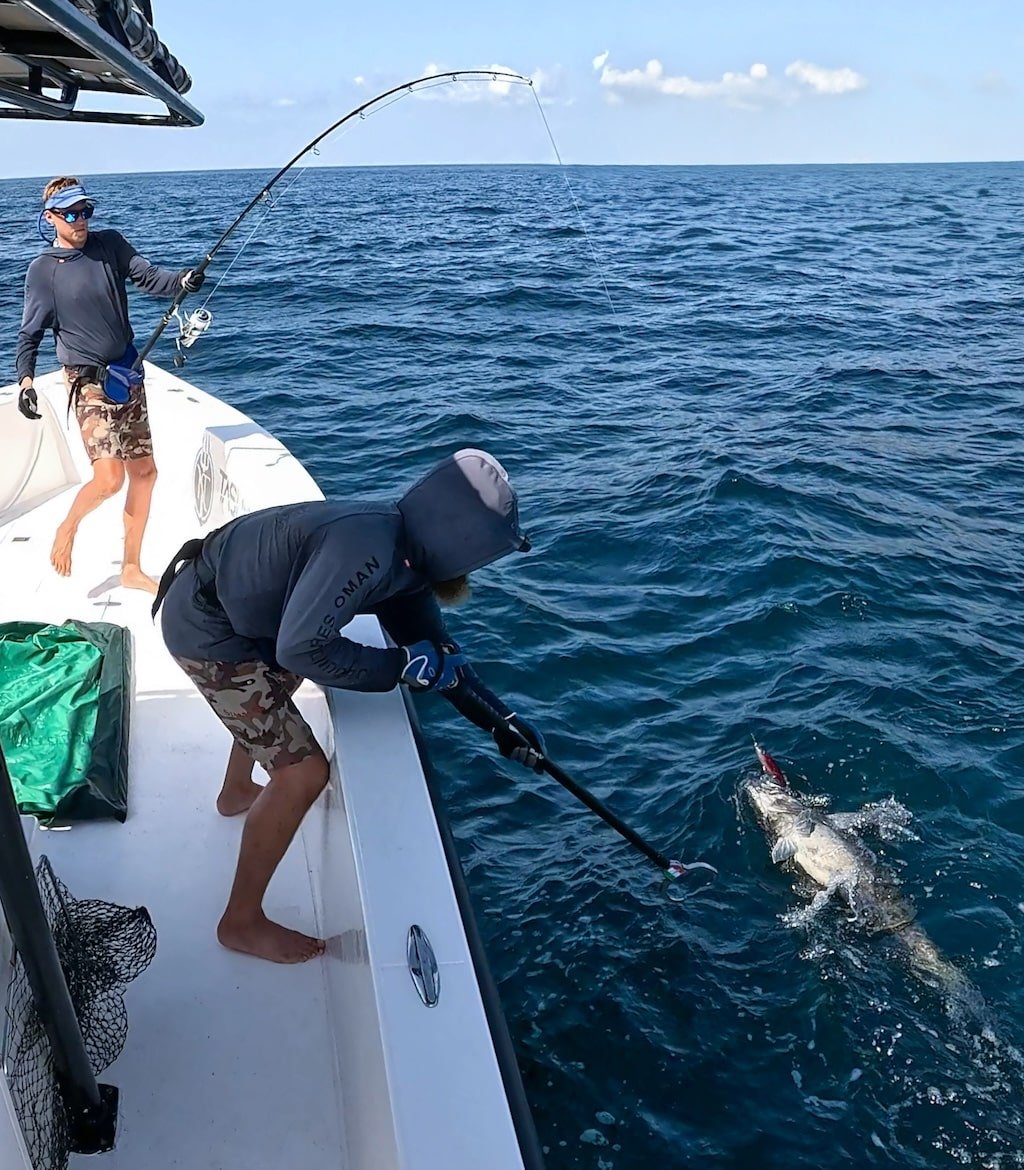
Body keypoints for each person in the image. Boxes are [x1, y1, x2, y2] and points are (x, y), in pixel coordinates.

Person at [153, 448, 545, 964]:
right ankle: (241, 920)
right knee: (304, 773)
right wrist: (397, 667)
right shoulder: (368, 550)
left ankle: (235, 790)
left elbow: (438, 654)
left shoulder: (403, 550)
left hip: (240, 612)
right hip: (207, 629)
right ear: (463, 545)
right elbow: (300, 649)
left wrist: (501, 723)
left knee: (284, 680)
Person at [15, 175, 205, 593]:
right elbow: (29, 333)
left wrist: (183, 280)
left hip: (127, 374)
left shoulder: (110, 245)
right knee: (108, 479)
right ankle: (68, 527)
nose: (80, 220)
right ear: (50, 218)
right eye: (70, 214)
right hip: (88, 385)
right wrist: (26, 380)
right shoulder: (43, 271)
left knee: (145, 472)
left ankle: (131, 568)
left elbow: (150, 277)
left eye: (86, 211)